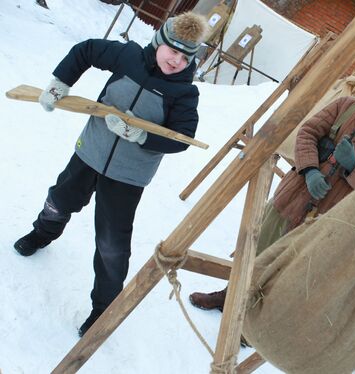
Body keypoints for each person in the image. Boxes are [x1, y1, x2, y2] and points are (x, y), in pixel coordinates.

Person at [13, 12, 209, 337]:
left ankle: (103, 309)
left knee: (112, 242)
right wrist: (60, 83)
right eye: (172, 50)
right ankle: (41, 234)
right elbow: (86, 50)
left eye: (185, 55)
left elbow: (183, 138)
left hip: (128, 176)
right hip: (90, 150)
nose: (176, 60)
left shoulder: (184, 94)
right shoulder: (128, 56)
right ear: (159, 43)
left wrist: (141, 135)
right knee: (59, 200)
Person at [189, 62, 355, 311]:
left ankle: (251, 325)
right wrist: (309, 170)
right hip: (291, 197)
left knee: (285, 275)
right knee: (255, 250)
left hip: (324, 220)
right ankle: (227, 296)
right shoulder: (346, 106)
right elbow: (308, 132)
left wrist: (353, 168)